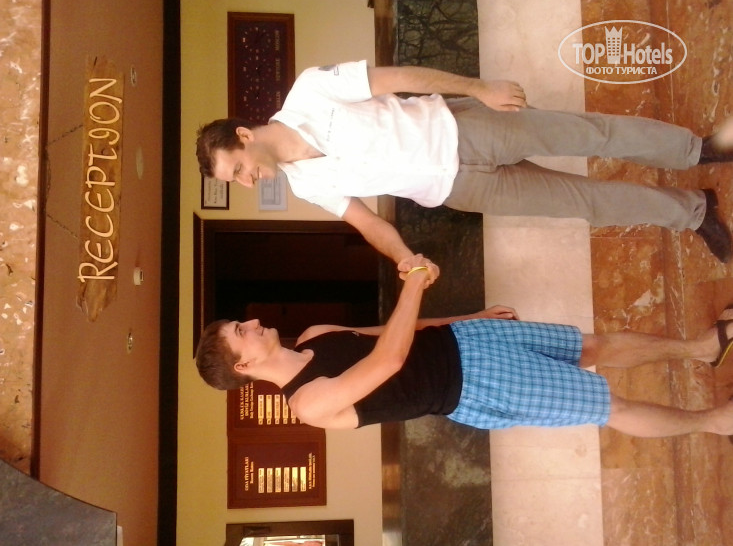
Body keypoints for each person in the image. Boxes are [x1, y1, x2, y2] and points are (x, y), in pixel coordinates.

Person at [196, 60, 733, 276]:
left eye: (238, 170)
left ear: (244, 136)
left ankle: (698, 150)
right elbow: (365, 221)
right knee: (586, 203)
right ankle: (693, 212)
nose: (246, 182)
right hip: (460, 187)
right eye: (235, 182)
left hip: (467, 128)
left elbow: (398, 77)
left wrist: (480, 88)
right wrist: (404, 257)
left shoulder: (310, 91)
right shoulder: (304, 184)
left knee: (591, 135)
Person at [195, 255, 733, 438]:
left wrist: (468, 318)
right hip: (474, 386)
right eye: (242, 331)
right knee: (608, 406)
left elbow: (398, 331)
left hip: (468, 340)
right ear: (244, 365)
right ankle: (717, 422)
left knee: (593, 346)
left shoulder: (315, 336)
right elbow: (390, 360)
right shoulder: (307, 404)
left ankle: (703, 347)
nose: (254, 322)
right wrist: (412, 283)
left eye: (242, 321)